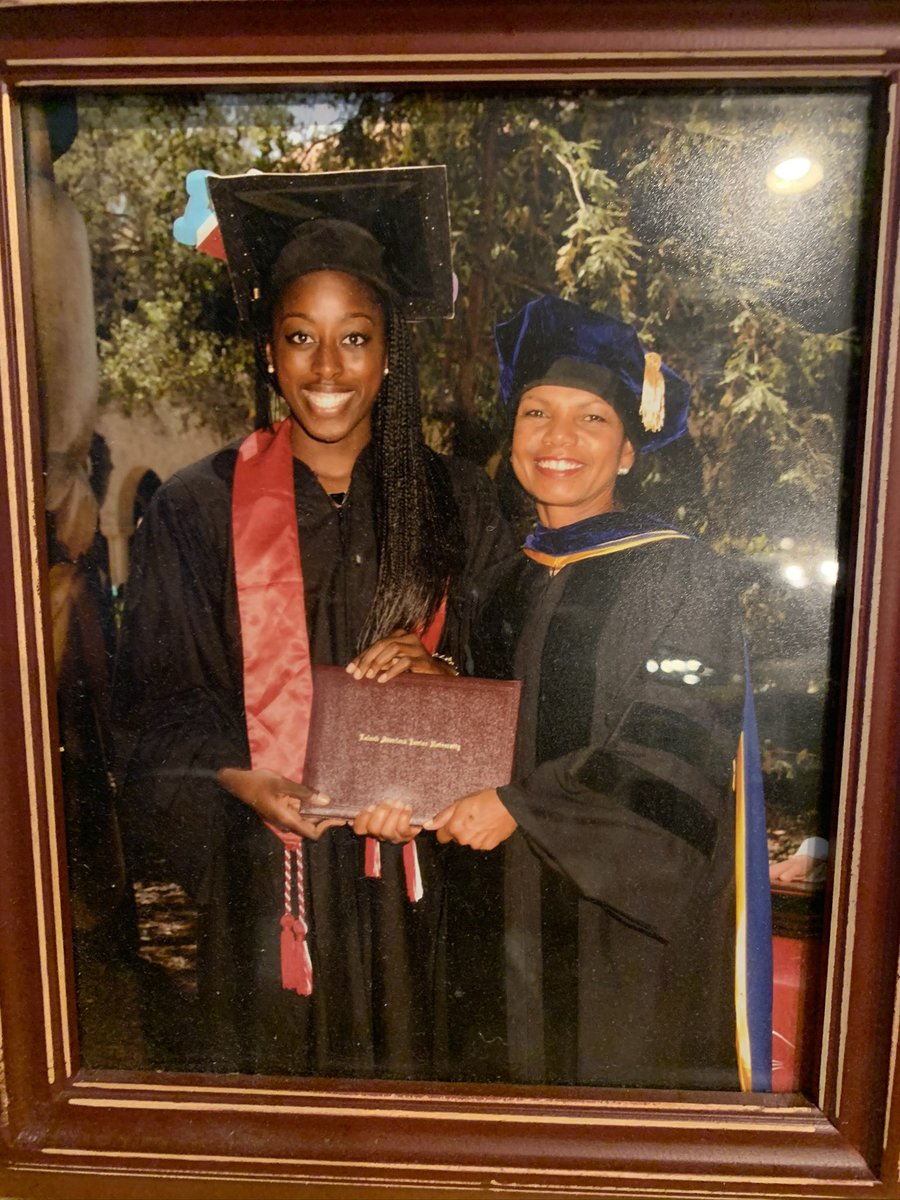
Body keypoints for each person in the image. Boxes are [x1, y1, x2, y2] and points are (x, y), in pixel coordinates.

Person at [114, 166, 512, 1077]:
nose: (327, 370)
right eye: (301, 338)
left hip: (424, 873)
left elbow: (516, 675)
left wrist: (445, 672)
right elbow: (158, 698)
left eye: (356, 339)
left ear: (388, 354)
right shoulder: (197, 507)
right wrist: (246, 780)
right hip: (266, 878)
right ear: (268, 352)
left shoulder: (454, 500)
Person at [433, 294, 772, 1092]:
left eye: (591, 420)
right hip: (495, 931)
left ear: (627, 451)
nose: (557, 440)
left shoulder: (683, 574)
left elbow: (675, 748)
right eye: (537, 413)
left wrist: (521, 806)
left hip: (621, 941)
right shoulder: (500, 577)